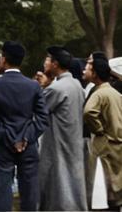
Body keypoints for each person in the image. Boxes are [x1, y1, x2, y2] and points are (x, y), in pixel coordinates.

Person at [0, 41, 49, 212]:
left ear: (3, 59)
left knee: (3, 190)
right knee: (29, 191)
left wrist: (5, 136)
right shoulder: (33, 86)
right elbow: (42, 117)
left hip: (4, 143)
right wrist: (26, 137)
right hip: (28, 143)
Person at [37, 46, 87, 211]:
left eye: (47, 59)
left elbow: (38, 110)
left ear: (55, 64)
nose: (45, 63)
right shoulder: (76, 84)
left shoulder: (56, 88)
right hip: (74, 139)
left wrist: (42, 88)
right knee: (72, 180)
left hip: (58, 141)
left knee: (58, 181)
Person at [84, 54, 122, 210]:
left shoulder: (99, 93)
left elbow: (88, 112)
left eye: (89, 68)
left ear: (95, 74)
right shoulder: (115, 93)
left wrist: (98, 129)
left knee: (103, 188)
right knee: (116, 188)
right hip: (118, 143)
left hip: (104, 144)